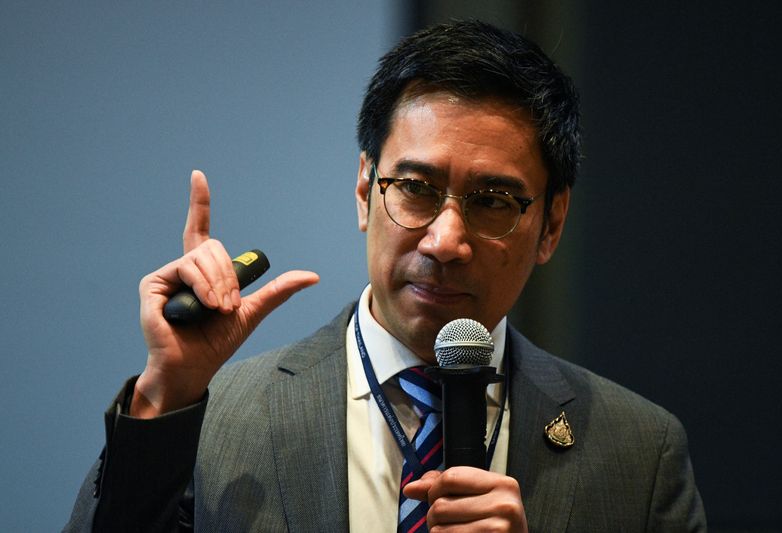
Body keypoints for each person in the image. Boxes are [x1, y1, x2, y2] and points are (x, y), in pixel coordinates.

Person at [65, 20, 706, 532]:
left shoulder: (639, 452)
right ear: (365, 190)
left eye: (492, 201)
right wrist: (166, 394)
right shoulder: (217, 421)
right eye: (418, 189)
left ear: (552, 225)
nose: (446, 241)